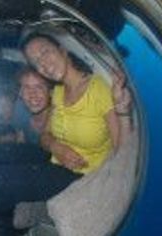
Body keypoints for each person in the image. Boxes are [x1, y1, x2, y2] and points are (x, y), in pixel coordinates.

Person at [21, 32, 133, 177]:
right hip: (55, 166)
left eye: (45, 52)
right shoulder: (58, 92)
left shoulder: (98, 89)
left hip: (86, 177)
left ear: (62, 50)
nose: (43, 63)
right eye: (36, 62)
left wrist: (122, 110)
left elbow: (123, 152)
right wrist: (55, 147)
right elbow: (44, 136)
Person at [17, 67, 52, 144]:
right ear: (20, 93)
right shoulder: (22, 118)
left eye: (39, 87)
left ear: (50, 92)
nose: (32, 94)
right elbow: (20, 147)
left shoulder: (61, 120)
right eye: (27, 88)